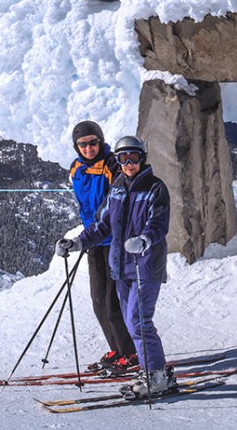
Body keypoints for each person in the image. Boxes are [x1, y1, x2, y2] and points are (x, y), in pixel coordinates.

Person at [56, 135, 175, 398]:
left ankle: (156, 375)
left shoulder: (155, 188)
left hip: (145, 265)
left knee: (139, 321)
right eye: (123, 158)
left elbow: (158, 224)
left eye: (133, 158)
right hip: (120, 267)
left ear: (142, 158)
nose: (129, 163)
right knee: (132, 320)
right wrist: (77, 243)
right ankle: (151, 370)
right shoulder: (118, 188)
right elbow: (102, 225)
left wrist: (144, 240)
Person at [66, 121, 137, 376]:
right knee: (98, 301)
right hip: (94, 240)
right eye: (82, 144)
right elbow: (85, 206)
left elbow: (114, 206)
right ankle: (117, 350)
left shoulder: (112, 166)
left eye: (93, 142)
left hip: (114, 240)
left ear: (101, 141)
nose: (88, 148)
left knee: (112, 301)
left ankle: (130, 354)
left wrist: (92, 234)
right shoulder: (77, 169)